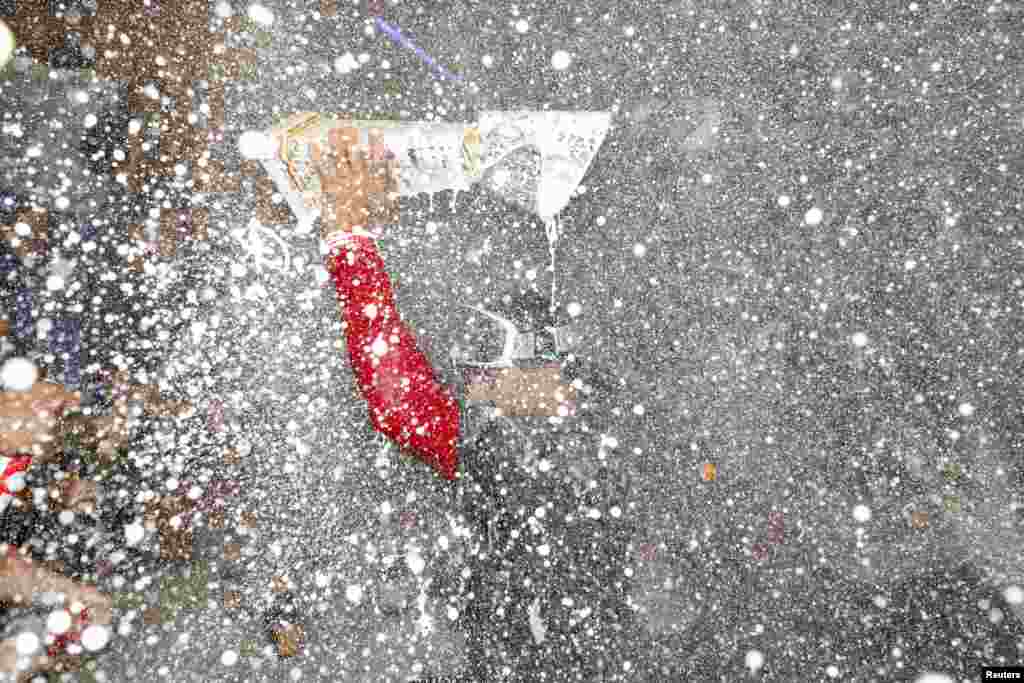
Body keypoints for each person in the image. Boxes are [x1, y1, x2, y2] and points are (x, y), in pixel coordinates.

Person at [313, 124, 637, 679]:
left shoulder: (540, 445)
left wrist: (350, 237)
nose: (477, 385)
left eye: (493, 368)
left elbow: (399, 397)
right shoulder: (576, 433)